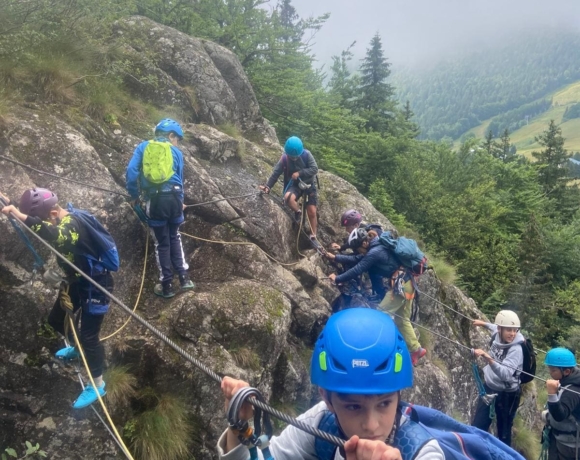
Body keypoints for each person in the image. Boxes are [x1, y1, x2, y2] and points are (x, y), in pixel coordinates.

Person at [217, 308, 445, 460]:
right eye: (353, 407)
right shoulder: (319, 424)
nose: (371, 425)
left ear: (398, 396)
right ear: (327, 399)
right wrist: (238, 423)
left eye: (384, 404)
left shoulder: (422, 452)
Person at [1, 188, 114, 409]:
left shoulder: (71, 224)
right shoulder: (57, 216)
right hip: (78, 281)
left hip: (96, 285)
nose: (44, 222)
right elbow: (39, 222)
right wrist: (8, 203)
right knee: (56, 319)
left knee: (89, 336)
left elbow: (54, 235)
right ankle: (76, 347)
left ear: (52, 213)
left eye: (45, 218)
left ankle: (98, 385)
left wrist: (20, 214)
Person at [325, 229, 426, 366]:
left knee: (380, 314)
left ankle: (381, 349)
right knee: (402, 319)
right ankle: (416, 349)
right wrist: (335, 257)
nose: (359, 251)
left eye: (358, 248)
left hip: (401, 286)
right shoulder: (376, 246)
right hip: (408, 284)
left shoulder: (374, 252)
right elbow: (357, 259)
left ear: (365, 242)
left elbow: (358, 268)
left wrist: (337, 278)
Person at [126, 118, 194, 298]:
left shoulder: (143, 147)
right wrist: (180, 200)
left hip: (155, 200)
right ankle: (185, 278)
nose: (176, 142)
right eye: (177, 138)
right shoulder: (176, 152)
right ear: (171, 135)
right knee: (175, 236)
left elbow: (131, 171)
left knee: (162, 242)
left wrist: (133, 195)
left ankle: (167, 285)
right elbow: (179, 178)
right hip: (174, 199)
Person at [471, 310, 524, 447]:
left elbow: (506, 374)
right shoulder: (497, 333)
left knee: (503, 433)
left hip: (507, 394)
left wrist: (487, 357)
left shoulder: (516, 349)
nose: (512, 334)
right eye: (509, 330)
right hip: (490, 386)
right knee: (478, 425)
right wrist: (482, 323)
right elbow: (494, 326)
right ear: (500, 329)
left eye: (515, 330)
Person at [259, 136, 319, 240]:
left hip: (308, 184)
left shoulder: (307, 155)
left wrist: (300, 173)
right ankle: (298, 212)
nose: (294, 158)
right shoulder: (284, 159)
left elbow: (314, 169)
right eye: (292, 157)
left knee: (312, 211)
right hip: (295, 185)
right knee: (288, 198)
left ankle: (313, 235)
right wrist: (268, 186)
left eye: (296, 156)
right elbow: (275, 174)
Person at [543, 347, 580, 459]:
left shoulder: (572, 391)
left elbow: (560, 415)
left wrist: (552, 394)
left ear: (567, 371)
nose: (550, 373)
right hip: (560, 437)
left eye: (553, 370)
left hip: (570, 445)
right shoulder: (570, 379)